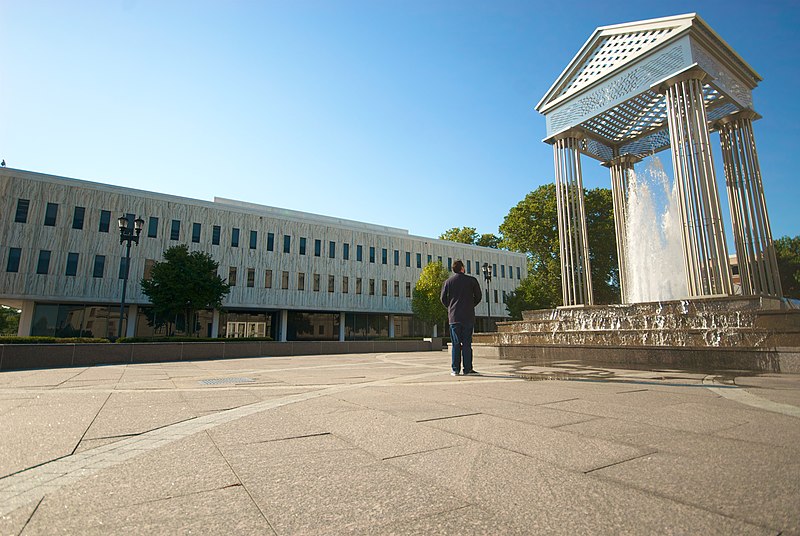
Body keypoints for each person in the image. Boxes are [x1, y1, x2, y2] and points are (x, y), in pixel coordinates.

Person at [440, 259, 483, 376]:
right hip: (468, 316)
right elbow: (479, 296)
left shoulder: (448, 282)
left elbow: (443, 299)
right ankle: (468, 369)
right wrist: (470, 305)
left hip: (454, 317)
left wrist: (451, 307)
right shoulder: (472, 281)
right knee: (467, 343)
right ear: (462, 268)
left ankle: (455, 369)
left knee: (455, 344)